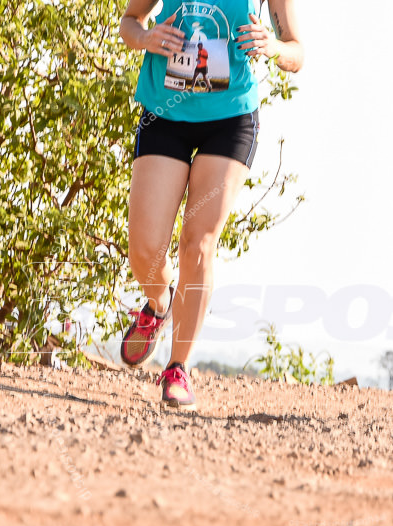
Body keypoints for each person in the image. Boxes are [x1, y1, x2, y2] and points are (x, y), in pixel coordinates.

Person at [119, 0, 304, 409]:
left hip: (230, 118)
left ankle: (177, 368)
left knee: (198, 242)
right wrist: (147, 38)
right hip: (165, 116)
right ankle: (158, 302)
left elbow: (297, 52)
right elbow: (129, 23)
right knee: (145, 251)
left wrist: (272, 47)